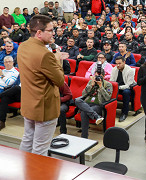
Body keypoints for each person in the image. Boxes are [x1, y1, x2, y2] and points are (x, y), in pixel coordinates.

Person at [18, 15, 68, 156]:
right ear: (39, 33)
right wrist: (57, 59)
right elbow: (59, 81)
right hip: (44, 107)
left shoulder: (23, 47)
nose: (53, 33)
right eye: (51, 30)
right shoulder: (45, 55)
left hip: (29, 104)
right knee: (40, 149)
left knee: (27, 140)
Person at [75, 69, 112, 138]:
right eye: (96, 76)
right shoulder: (91, 82)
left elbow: (107, 98)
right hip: (87, 103)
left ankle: (84, 137)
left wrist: (101, 87)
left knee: (84, 113)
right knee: (77, 100)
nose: (97, 78)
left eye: (99, 76)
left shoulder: (108, 84)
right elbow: (83, 94)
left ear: (103, 76)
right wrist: (91, 86)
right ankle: (96, 116)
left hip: (98, 105)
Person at [110, 56, 136, 122]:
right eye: (116, 63)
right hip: (117, 87)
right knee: (108, 90)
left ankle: (124, 113)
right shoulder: (114, 69)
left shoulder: (130, 70)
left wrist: (118, 87)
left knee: (126, 92)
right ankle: (109, 111)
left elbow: (128, 84)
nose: (118, 65)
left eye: (119, 63)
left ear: (124, 62)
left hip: (127, 88)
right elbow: (112, 81)